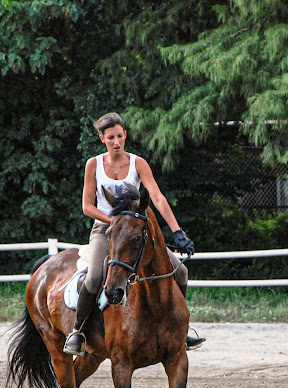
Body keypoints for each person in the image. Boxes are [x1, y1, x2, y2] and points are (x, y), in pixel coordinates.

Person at [63, 112, 205, 356]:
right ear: (102, 139)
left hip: (138, 230)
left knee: (181, 270)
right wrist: (117, 222)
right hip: (106, 228)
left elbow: (157, 198)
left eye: (119, 136)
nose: (116, 142)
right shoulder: (93, 165)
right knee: (95, 276)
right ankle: (78, 332)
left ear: (125, 135)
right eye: (110, 138)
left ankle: (180, 329)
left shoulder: (138, 163)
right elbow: (87, 207)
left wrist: (177, 231)